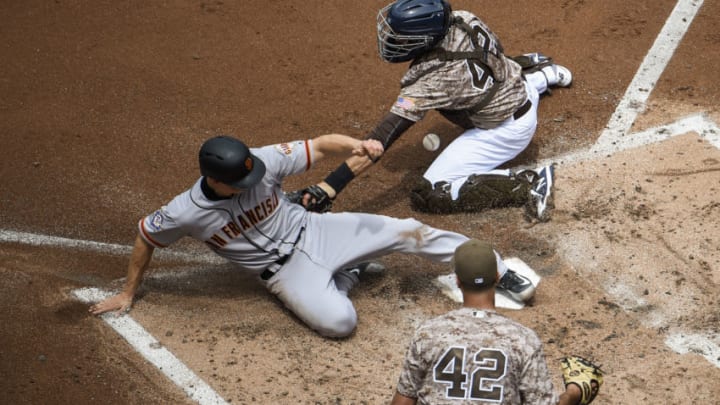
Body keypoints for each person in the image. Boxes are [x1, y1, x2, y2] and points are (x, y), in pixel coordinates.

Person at [89, 134, 534, 338]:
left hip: (316, 228)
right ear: (214, 180)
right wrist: (129, 292)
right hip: (285, 274)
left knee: (408, 232)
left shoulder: (260, 160)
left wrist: (356, 145)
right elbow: (146, 235)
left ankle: (494, 266)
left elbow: (319, 146)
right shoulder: (185, 211)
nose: (254, 182)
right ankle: (350, 272)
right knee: (339, 324)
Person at [288, 0, 572, 221]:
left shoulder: (429, 82)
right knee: (488, 65)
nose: (393, 40)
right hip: (516, 82)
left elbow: (380, 139)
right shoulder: (463, 17)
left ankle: (530, 183)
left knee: (430, 192)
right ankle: (544, 73)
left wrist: (328, 187)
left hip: (506, 132)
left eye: (401, 37)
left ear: (423, 40)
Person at [391, 239, 603, 405]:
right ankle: (577, 390)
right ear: (497, 277)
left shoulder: (428, 333)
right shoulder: (522, 339)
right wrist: (573, 394)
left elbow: (403, 400)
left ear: (457, 281)